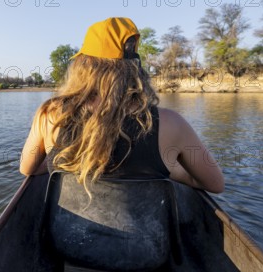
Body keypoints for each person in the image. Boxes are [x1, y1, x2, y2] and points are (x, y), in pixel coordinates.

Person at [19, 17, 224, 194]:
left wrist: (66, 158)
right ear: (135, 68)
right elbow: (215, 184)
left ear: (84, 65)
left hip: (65, 237)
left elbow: (27, 169)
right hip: (145, 239)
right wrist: (172, 169)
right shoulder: (171, 124)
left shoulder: (51, 114)